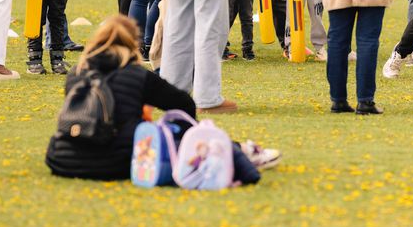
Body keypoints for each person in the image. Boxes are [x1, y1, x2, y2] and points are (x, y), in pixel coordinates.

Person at [45, 15, 278, 180]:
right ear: (132, 43)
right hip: (118, 161)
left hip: (61, 159)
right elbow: (183, 104)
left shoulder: (77, 73)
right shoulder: (135, 73)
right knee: (173, 139)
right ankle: (239, 151)